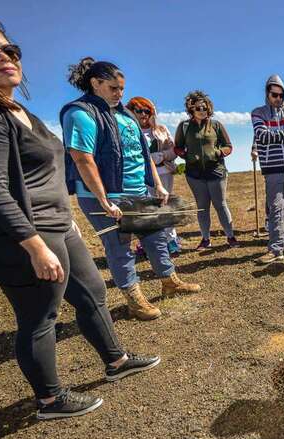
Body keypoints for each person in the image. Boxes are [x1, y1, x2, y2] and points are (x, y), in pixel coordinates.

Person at [0, 10, 160, 419]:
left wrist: (67, 221)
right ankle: (50, 400)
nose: (5, 57)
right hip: (28, 233)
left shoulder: (18, 111)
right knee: (40, 315)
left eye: (10, 50)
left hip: (57, 224)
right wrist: (34, 246)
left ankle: (116, 360)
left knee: (92, 291)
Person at [60, 57, 201, 321]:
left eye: (122, 89)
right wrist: (103, 199)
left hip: (138, 191)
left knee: (156, 237)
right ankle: (134, 299)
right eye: (113, 88)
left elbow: (143, 153)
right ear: (95, 83)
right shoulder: (80, 113)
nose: (119, 94)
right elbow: (82, 159)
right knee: (119, 246)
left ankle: (169, 282)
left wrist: (157, 184)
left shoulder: (126, 115)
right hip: (106, 196)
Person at [173, 90, 238, 250]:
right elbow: (177, 147)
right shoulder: (184, 126)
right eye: (198, 108)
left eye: (205, 107)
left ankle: (230, 236)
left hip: (216, 171)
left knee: (220, 205)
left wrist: (218, 153)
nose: (202, 110)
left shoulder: (216, 125)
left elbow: (228, 146)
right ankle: (205, 239)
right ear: (191, 109)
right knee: (202, 207)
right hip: (194, 174)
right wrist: (186, 155)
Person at [251, 74, 284, 264]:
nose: (278, 98)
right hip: (272, 169)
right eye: (274, 95)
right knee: (275, 209)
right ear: (267, 94)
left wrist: (275, 133)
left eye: (281, 95)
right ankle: (275, 249)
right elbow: (262, 136)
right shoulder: (258, 113)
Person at [125, 96, 180, 255]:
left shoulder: (161, 130)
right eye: (139, 110)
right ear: (131, 111)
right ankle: (149, 244)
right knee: (146, 209)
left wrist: (161, 156)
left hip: (164, 173)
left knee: (165, 206)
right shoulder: (127, 131)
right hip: (140, 176)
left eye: (147, 111)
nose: (143, 114)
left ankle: (171, 240)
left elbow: (173, 151)